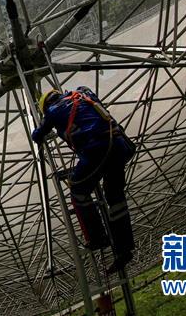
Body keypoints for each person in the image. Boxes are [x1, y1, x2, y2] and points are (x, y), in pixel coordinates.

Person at [32, 86, 136, 273]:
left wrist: (44, 122)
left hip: (95, 152)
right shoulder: (83, 94)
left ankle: (97, 237)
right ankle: (124, 250)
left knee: (78, 192)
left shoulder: (53, 111)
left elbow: (37, 136)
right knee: (115, 198)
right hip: (117, 145)